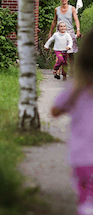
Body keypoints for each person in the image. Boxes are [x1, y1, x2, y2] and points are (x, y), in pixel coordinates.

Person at [52, 30, 93, 215]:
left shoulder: (76, 89)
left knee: (86, 201)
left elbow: (55, 110)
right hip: (83, 157)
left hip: (83, 157)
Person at [49, 0, 82, 75]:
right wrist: (50, 32)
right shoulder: (57, 9)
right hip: (59, 33)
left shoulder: (72, 9)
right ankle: (58, 70)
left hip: (69, 32)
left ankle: (72, 70)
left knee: (70, 53)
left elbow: (76, 20)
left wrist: (78, 30)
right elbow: (54, 21)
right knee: (59, 52)